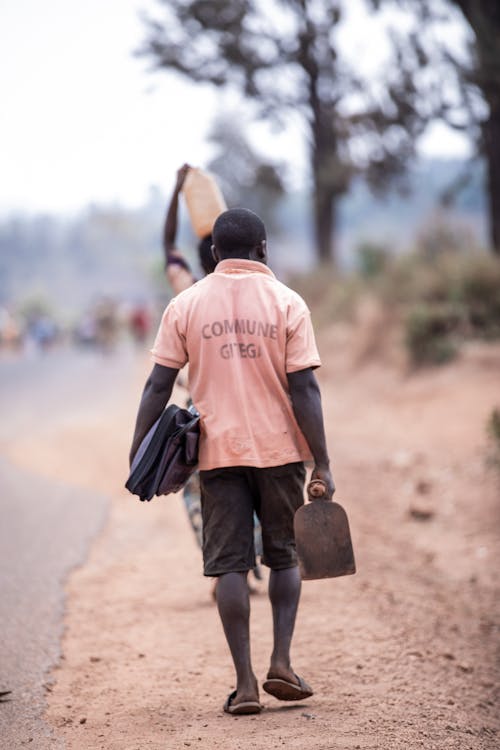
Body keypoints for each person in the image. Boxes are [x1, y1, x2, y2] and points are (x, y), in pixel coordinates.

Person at [129, 208, 334, 715]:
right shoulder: (289, 303)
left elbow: (158, 384)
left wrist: (138, 451)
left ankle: (244, 686)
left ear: (215, 254)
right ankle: (281, 663)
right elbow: (305, 387)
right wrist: (323, 463)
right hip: (281, 451)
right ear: (263, 249)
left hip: (216, 455)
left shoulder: (185, 304)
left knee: (229, 567)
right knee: (284, 556)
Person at [161, 166, 263, 582]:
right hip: (256, 402)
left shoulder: (188, 294)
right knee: (255, 481)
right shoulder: (264, 293)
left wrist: (176, 191)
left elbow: (167, 243)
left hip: (202, 409)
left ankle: (225, 566)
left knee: (202, 491)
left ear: (210, 257)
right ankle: (251, 554)